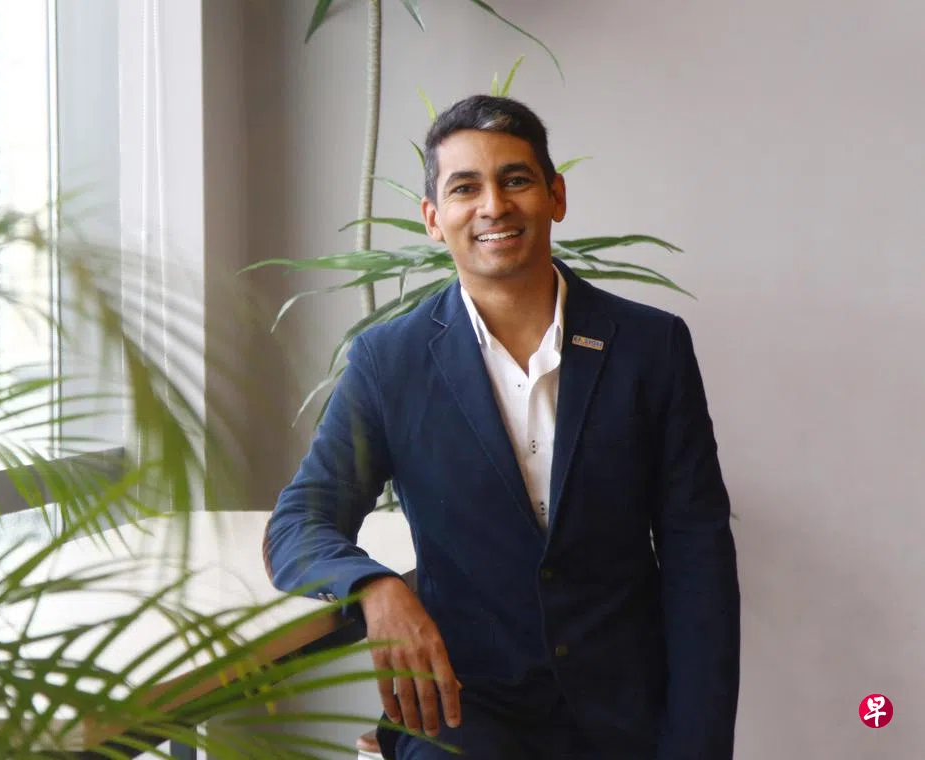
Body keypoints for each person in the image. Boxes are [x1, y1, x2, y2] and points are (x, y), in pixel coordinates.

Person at [262, 94, 740, 759]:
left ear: (555, 196)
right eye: (465, 188)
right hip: (466, 712)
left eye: (515, 179)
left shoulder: (650, 346)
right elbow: (299, 523)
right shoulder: (389, 363)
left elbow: (698, 553)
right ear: (434, 218)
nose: (494, 205)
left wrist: (698, 743)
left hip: (627, 712)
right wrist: (376, 587)